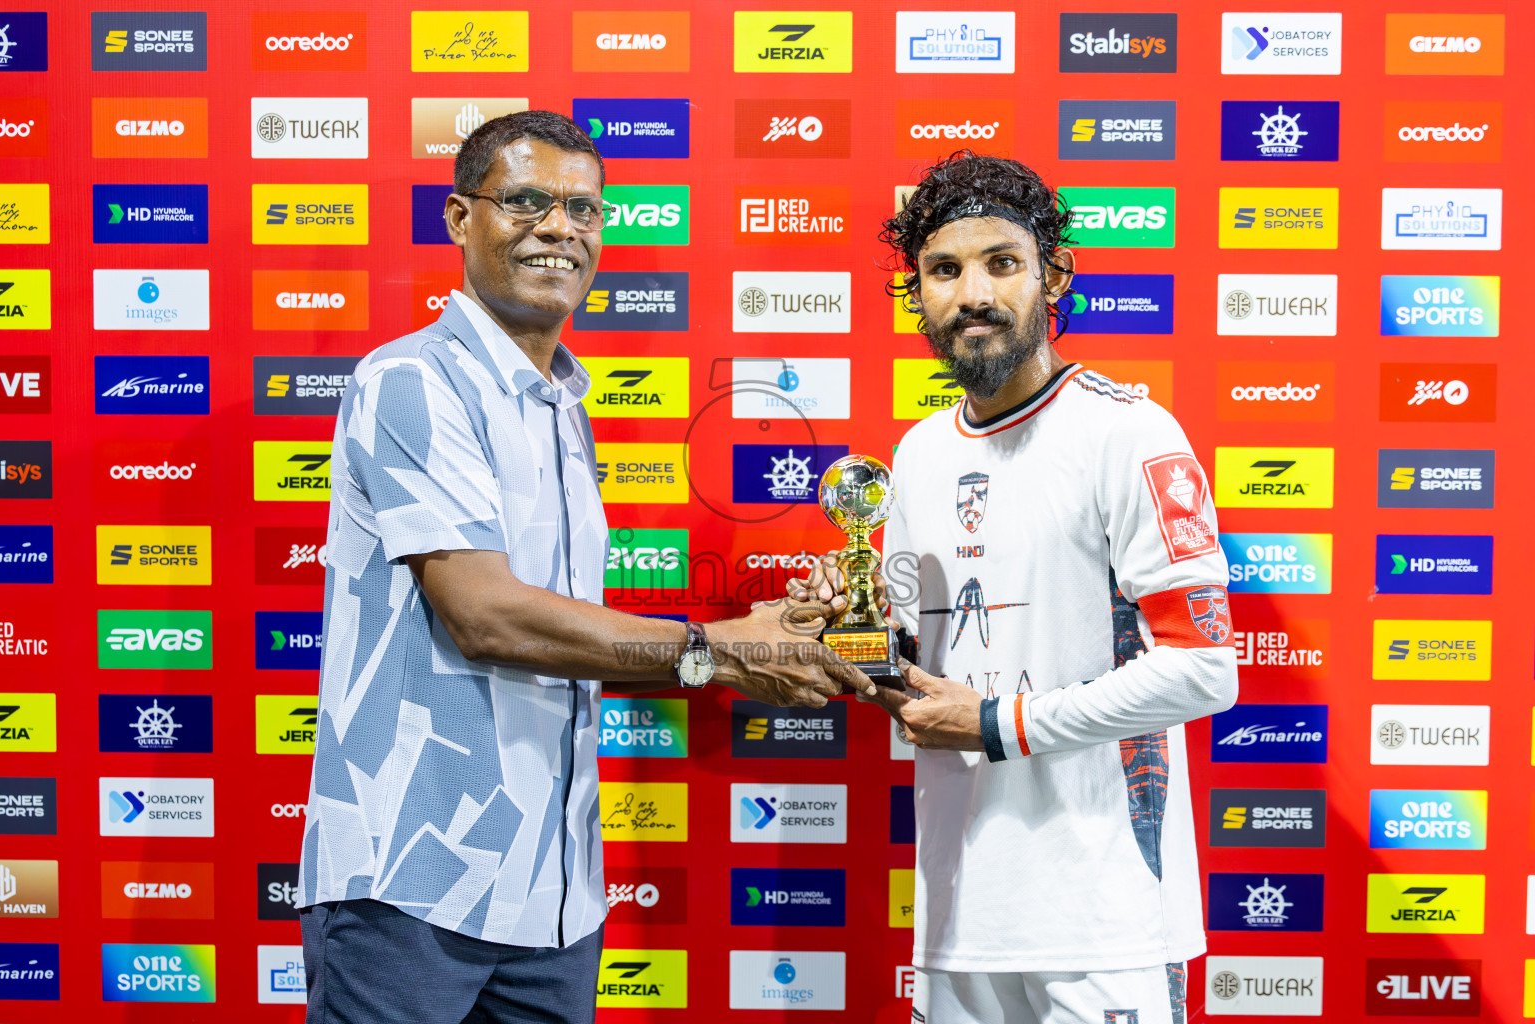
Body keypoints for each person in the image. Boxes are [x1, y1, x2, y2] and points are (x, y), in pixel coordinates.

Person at [296, 110, 873, 1024]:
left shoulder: (565, 405)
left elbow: (565, 628)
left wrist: (772, 635)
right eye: (525, 201)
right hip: (414, 877)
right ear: (458, 218)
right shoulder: (411, 380)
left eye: (583, 209)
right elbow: (487, 616)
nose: (560, 228)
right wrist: (717, 650)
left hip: (554, 890)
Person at [794, 152, 1239, 1024]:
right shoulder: (919, 454)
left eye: (1002, 263)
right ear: (916, 293)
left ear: (1053, 274)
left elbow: (1202, 670)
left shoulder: (1129, 433)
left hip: (1106, 924)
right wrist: (857, 632)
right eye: (944, 270)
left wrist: (998, 724)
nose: (973, 295)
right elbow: (924, 672)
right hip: (960, 919)